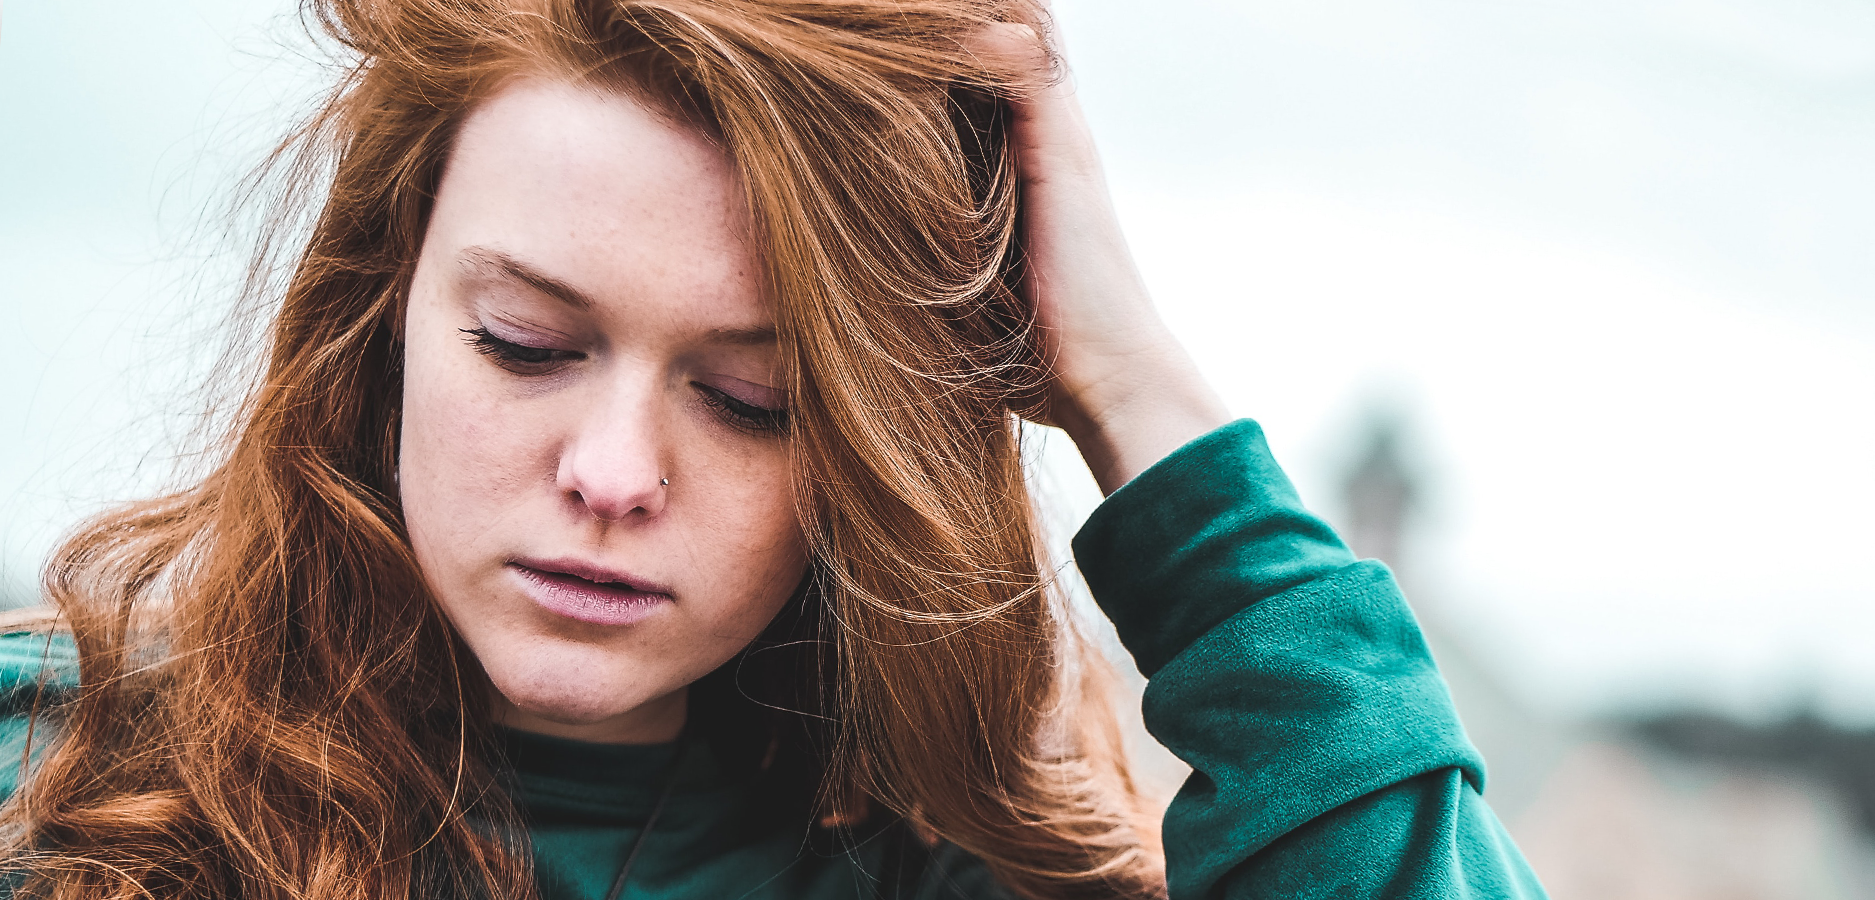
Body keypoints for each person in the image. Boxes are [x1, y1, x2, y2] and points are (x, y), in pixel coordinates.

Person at [0, 0, 1549, 897]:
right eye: (528, 345)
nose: (612, 471)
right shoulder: (47, 802)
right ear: (380, 314)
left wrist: (1140, 395)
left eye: (754, 398)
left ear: (874, 449)